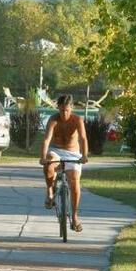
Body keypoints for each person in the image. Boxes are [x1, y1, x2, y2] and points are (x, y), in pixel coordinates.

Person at [39, 94, 89, 232]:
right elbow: (46, 140)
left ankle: (74, 216)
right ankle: (49, 192)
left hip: (73, 154)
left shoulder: (77, 120)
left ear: (71, 108)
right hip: (56, 151)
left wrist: (84, 156)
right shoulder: (53, 119)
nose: (64, 113)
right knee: (49, 163)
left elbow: (83, 139)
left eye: (66, 110)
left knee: (74, 183)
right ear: (58, 108)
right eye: (61, 110)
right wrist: (42, 157)